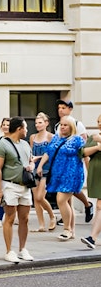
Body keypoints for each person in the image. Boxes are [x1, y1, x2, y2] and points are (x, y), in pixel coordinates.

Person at [0, 117, 35, 263]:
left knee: (25, 219)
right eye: (25, 127)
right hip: (9, 185)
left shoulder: (25, 144)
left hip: (25, 186)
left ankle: (23, 249)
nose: (27, 130)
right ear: (19, 129)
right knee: (9, 218)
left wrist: (32, 166)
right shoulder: (1, 145)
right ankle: (9, 251)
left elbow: (30, 160)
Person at [39, 115, 86, 241]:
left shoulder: (77, 140)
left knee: (61, 200)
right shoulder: (56, 139)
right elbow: (48, 152)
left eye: (66, 125)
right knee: (67, 203)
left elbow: (85, 154)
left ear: (72, 127)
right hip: (58, 174)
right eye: (61, 124)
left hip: (72, 174)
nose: (63, 127)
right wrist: (41, 166)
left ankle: (67, 229)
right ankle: (72, 230)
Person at [54, 99, 94, 224]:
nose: (61, 110)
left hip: (74, 165)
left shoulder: (77, 124)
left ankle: (86, 205)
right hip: (62, 165)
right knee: (67, 193)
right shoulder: (57, 126)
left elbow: (83, 149)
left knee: (69, 191)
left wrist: (88, 168)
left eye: (64, 108)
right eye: (59, 107)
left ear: (70, 109)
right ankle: (68, 220)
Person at [29, 113, 57, 232]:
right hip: (35, 169)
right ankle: (41, 225)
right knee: (36, 198)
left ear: (46, 123)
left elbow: (52, 153)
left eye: (40, 122)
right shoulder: (32, 137)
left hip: (46, 169)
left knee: (40, 197)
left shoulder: (51, 137)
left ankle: (52, 216)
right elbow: (31, 152)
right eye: (36, 123)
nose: (37, 125)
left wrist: (38, 158)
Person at [80, 114, 101, 249]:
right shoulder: (94, 137)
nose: (100, 124)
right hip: (97, 176)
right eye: (98, 121)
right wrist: (97, 147)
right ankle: (93, 237)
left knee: (100, 206)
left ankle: (92, 237)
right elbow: (83, 152)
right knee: (100, 206)